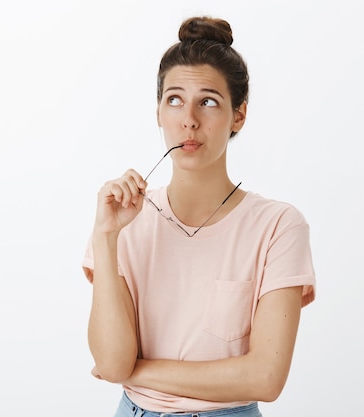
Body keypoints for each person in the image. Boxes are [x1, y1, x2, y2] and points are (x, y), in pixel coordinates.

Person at [81, 16, 316, 417]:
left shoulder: (278, 226)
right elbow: (112, 361)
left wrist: (141, 371)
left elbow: (266, 378)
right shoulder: (122, 223)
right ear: (158, 111)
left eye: (208, 101)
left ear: (238, 115)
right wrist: (106, 237)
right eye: (174, 99)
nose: (189, 118)